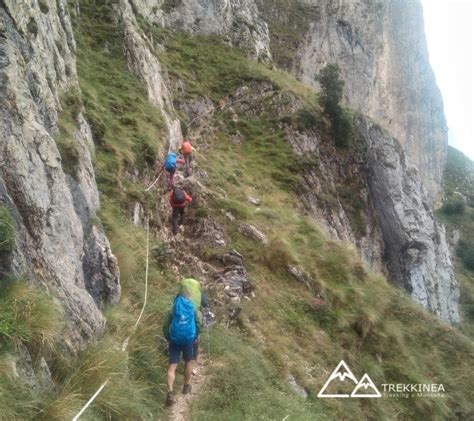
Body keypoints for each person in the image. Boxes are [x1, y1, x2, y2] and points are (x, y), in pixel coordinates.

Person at [163, 286, 203, 407]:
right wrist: (195, 336)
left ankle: (170, 392)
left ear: (179, 296)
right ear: (189, 297)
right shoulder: (193, 308)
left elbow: (166, 323)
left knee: (172, 366)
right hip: (188, 340)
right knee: (189, 362)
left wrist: (168, 336)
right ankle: (186, 386)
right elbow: (199, 323)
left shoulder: (174, 307)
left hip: (175, 339)